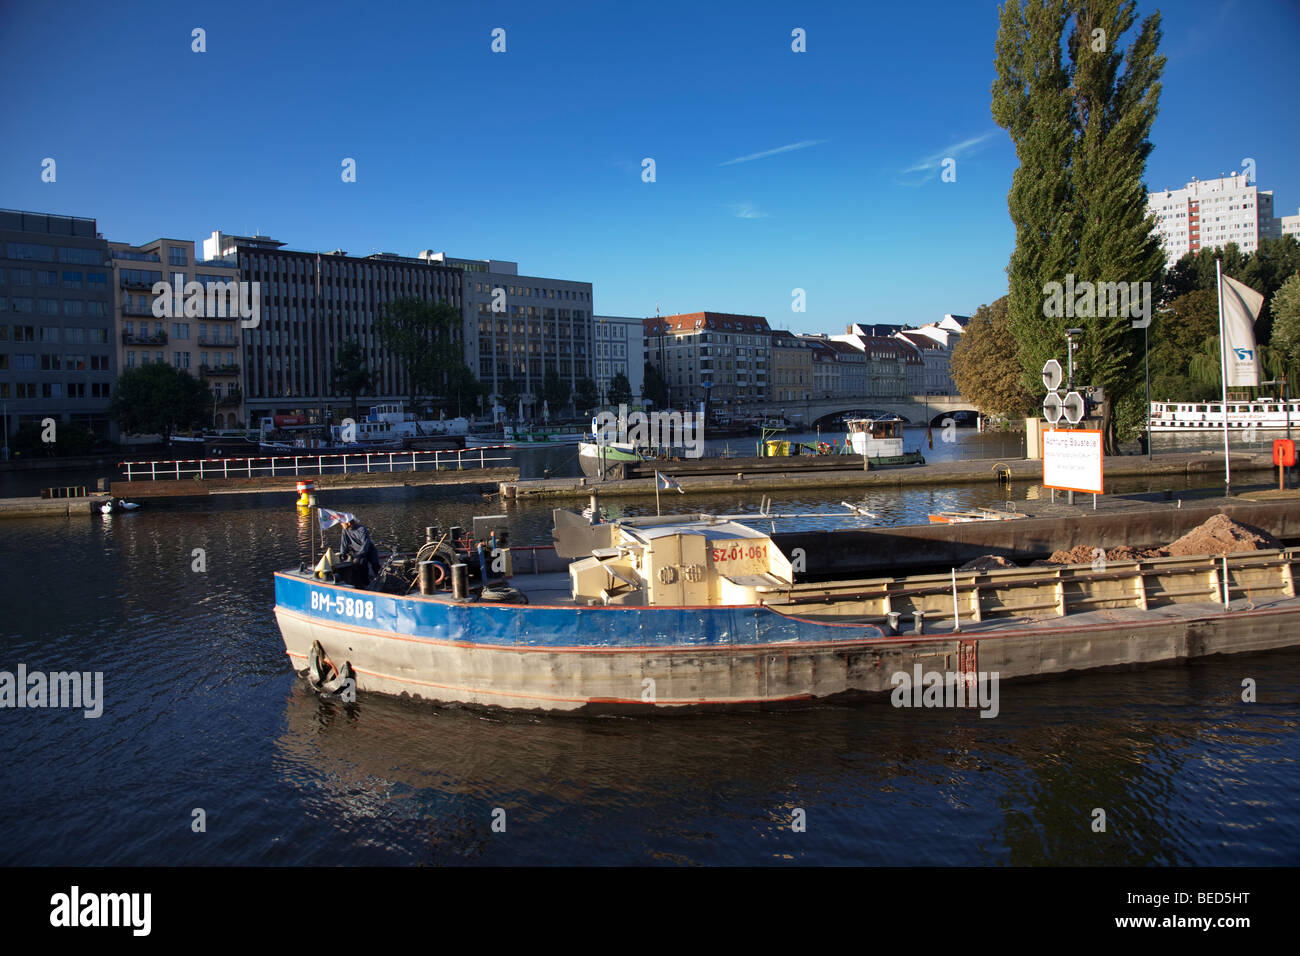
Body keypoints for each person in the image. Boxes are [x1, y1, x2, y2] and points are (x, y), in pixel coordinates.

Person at [339, 517, 382, 588]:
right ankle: (365, 584)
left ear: (348, 523)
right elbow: (344, 543)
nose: (341, 524)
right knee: (361, 565)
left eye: (342, 523)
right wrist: (342, 553)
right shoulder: (345, 531)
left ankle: (380, 581)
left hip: (369, 550)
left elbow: (366, 543)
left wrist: (360, 554)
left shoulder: (361, 529)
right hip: (357, 552)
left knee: (375, 564)